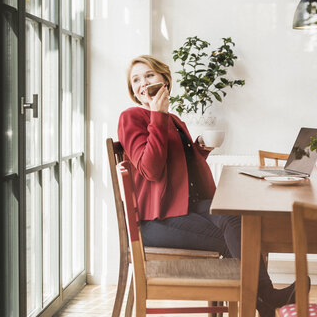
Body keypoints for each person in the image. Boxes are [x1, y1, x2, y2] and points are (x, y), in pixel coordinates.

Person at [117, 55, 304, 317]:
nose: (143, 83)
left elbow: (175, 166)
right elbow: (150, 168)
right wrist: (157, 116)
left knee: (240, 219)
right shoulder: (132, 117)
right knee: (240, 236)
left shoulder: (171, 119)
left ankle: (263, 299)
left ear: (164, 80)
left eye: (149, 75)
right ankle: (265, 298)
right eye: (136, 80)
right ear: (132, 91)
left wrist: (200, 150)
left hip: (183, 209)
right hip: (155, 221)